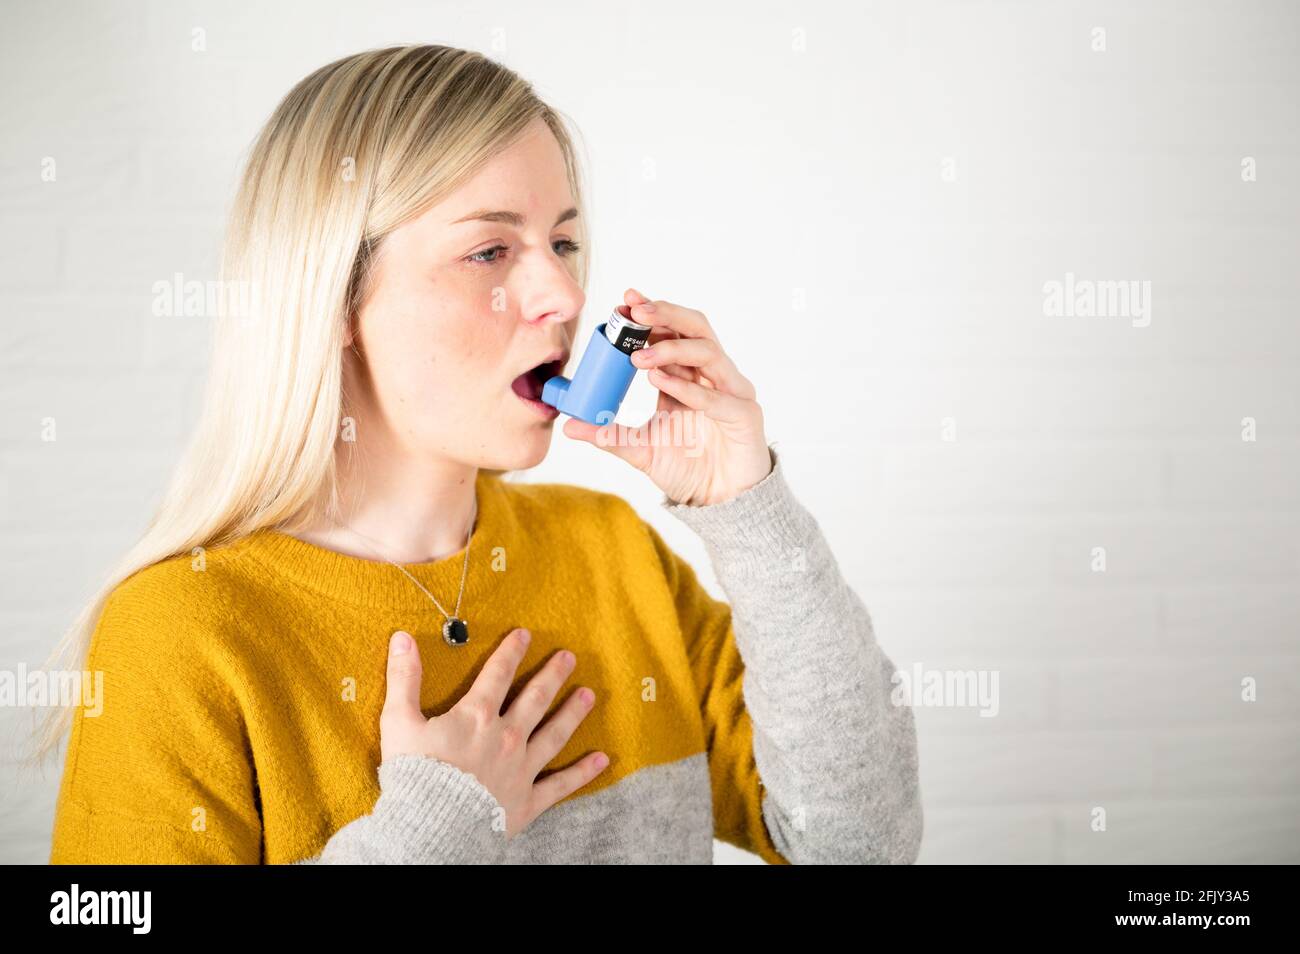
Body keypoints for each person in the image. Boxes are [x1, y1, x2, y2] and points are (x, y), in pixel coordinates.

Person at [35, 44, 923, 864]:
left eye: (563, 242)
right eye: (490, 249)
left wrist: (750, 507)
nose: (564, 293)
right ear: (334, 299)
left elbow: (860, 846)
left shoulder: (616, 555)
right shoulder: (180, 632)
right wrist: (434, 826)